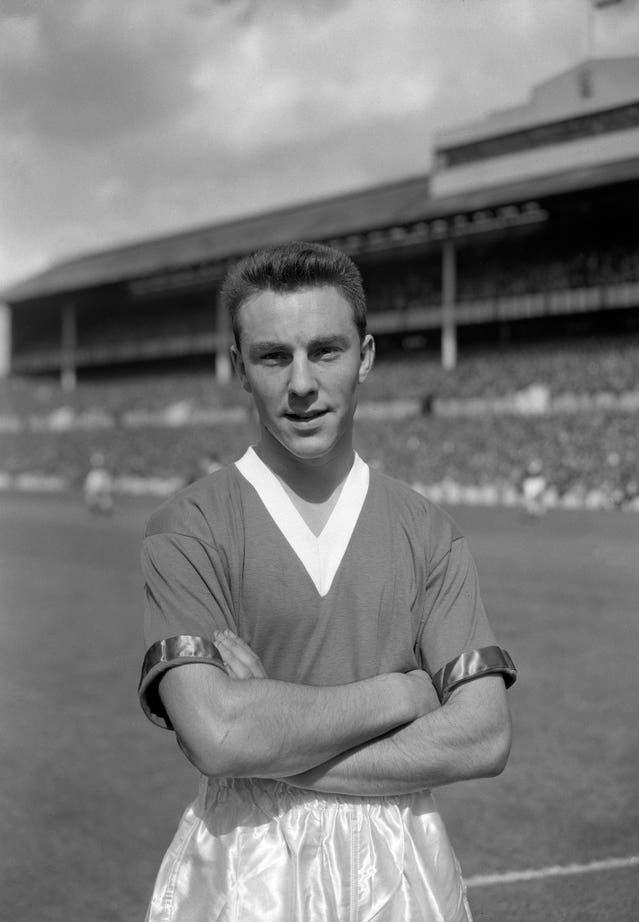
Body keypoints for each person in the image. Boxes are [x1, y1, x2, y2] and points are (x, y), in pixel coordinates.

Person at [138, 241, 517, 922]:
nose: (302, 383)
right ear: (239, 368)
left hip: (401, 865)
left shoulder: (428, 530)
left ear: (365, 357)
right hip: (245, 864)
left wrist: (273, 739)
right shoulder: (186, 528)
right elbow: (218, 736)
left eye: (326, 350)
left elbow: (483, 736)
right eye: (274, 356)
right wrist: (403, 691)